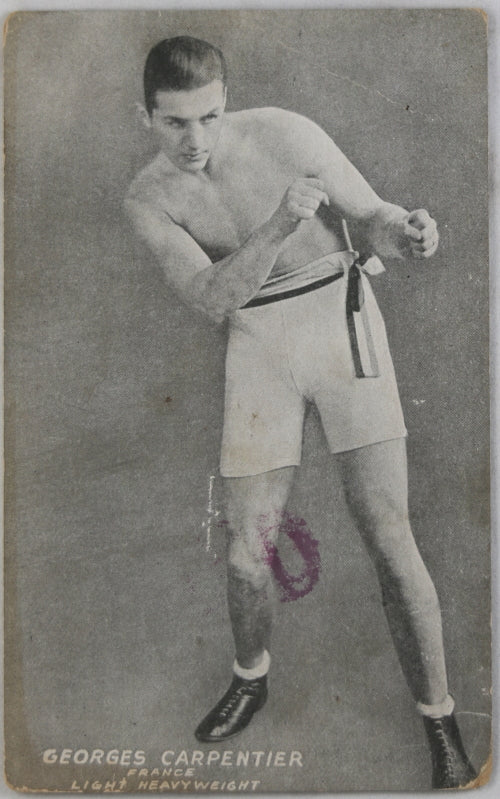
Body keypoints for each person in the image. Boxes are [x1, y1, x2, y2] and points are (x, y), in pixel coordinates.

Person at [125, 36, 478, 790]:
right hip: (257, 340)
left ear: (228, 101)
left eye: (209, 118)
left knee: (389, 535)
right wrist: (281, 222)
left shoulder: (285, 131)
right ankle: (251, 677)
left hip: (340, 318)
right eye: (175, 123)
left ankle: (440, 717)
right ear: (145, 117)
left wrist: (409, 233)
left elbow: (373, 217)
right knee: (250, 550)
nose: (196, 140)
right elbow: (214, 298)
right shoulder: (149, 198)